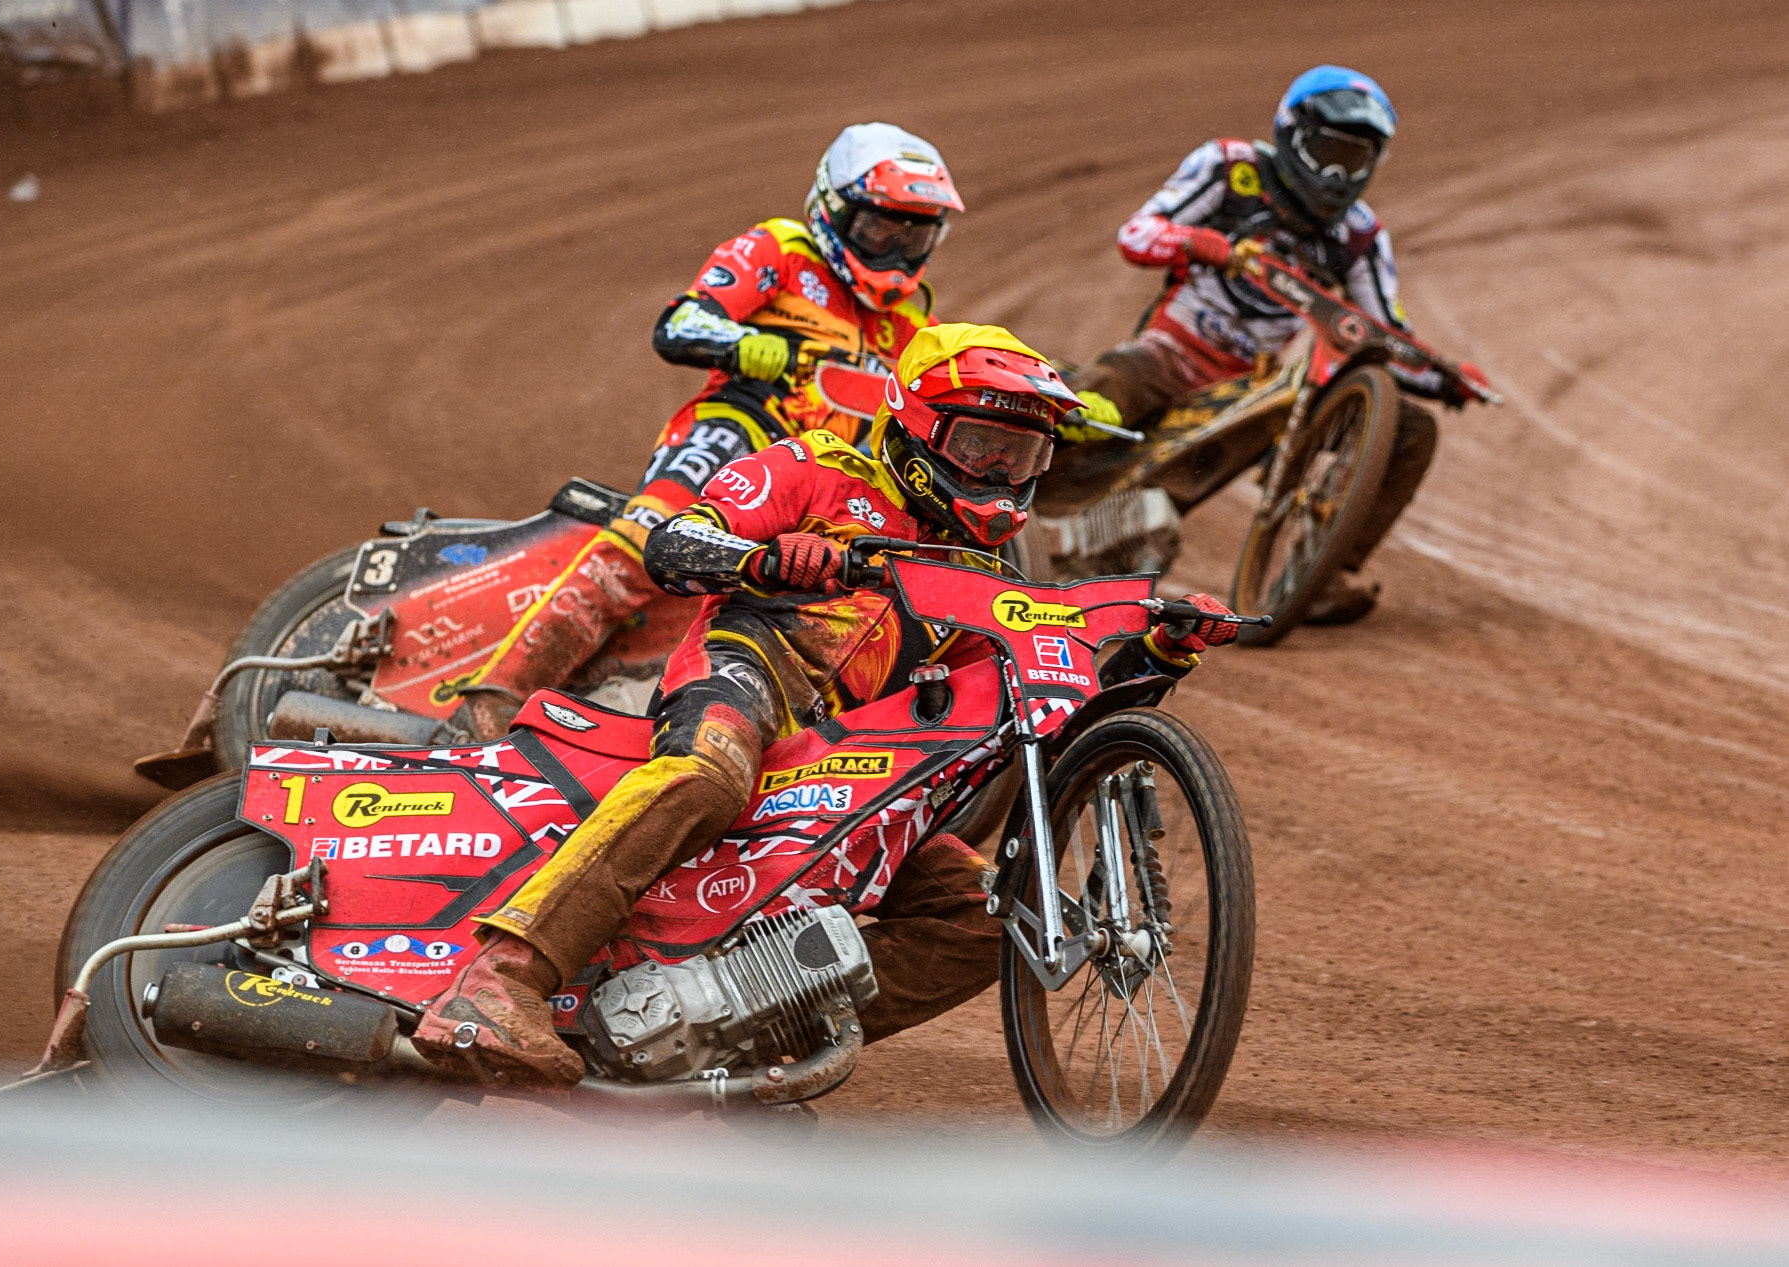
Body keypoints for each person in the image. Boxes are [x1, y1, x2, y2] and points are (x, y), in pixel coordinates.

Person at [411, 324, 1240, 1086]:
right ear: (914, 427)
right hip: (748, 671)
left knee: (992, 920)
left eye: (1020, 458)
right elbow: (671, 544)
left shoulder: (986, 581)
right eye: (979, 446)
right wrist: (765, 561)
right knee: (707, 774)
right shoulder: (813, 465)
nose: (996, 475)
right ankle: (500, 980)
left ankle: (738, 1049)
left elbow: (1054, 726)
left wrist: (1157, 656)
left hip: (856, 758)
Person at [459, 122, 969, 738]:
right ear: (834, 210)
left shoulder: (912, 322)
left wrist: (1065, 405)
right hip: (735, 430)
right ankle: (493, 703)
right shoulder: (781, 250)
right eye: (881, 227)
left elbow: (951, 394)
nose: (894, 248)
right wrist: (746, 343)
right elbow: (678, 323)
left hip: (815, 480)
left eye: (914, 232)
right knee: (641, 541)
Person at [1069, 66, 1487, 625]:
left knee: (1412, 430)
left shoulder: (1360, 235)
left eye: (1356, 159)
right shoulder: (1229, 167)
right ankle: (991, 493)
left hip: (1262, 388)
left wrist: (1446, 377)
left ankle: (1323, 574)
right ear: (1292, 134)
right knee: (1097, 400)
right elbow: (1137, 234)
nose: (1340, 174)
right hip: (1172, 350)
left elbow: (1382, 336)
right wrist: (1204, 244)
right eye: (1330, 151)